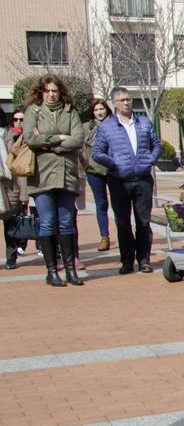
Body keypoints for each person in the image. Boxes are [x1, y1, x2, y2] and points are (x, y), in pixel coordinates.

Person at [21, 75, 86, 286]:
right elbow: (30, 138)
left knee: (67, 222)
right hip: (42, 174)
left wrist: (48, 144)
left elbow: (77, 139)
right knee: (48, 223)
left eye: (54, 91)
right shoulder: (33, 111)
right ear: (41, 92)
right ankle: (51, 271)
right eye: (47, 91)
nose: (51, 94)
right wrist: (59, 138)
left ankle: (70, 270)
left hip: (67, 174)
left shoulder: (70, 112)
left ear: (61, 92)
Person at [92, 87, 162, 277]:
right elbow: (97, 153)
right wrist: (114, 164)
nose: (126, 102)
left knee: (144, 222)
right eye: (122, 100)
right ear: (114, 103)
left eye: (128, 99)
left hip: (143, 179)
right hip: (119, 181)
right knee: (123, 223)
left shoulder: (144, 122)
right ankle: (127, 261)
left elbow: (156, 144)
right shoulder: (106, 127)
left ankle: (144, 259)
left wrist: (151, 159)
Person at [84, 99, 113, 252]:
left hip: (113, 169)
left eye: (102, 109)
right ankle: (104, 237)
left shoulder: (115, 125)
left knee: (119, 203)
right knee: (101, 204)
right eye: (96, 110)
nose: (99, 112)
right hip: (93, 170)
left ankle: (125, 234)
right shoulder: (86, 128)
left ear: (107, 109)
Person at [2, 107, 30, 269]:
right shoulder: (8, 137)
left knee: (11, 224)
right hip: (7, 185)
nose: (19, 122)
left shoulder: (20, 138)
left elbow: (21, 168)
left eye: (22, 119)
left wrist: (24, 194)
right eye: (16, 119)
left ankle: (11, 256)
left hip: (13, 186)